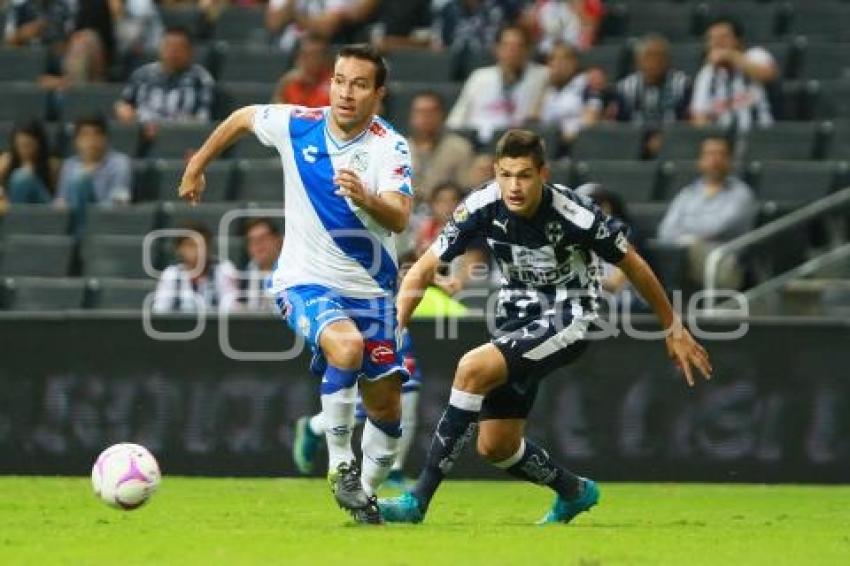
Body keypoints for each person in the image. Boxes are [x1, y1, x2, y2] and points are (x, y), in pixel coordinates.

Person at [379, 129, 712, 524]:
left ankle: (417, 501)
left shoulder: (576, 214)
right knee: (497, 446)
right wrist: (395, 330)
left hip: (570, 315)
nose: (514, 186)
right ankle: (573, 492)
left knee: (471, 367)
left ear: (543, 174)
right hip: (514, 318)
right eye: (505, 175)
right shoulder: (482, 205)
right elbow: (422, 268)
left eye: (523, 175)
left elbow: (634, 264)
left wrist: (672, 326)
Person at [177, 44, 414, 524]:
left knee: (387, 410)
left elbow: (401, 216)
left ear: (379, 94)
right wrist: (197, 163)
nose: (346, 92)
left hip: (371, 291)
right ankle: (340, 464)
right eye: (340, 80)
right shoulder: (298, 122)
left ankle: (363, 496)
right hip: (303, 280)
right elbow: (243, 117)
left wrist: (367, 198)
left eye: (359, 84)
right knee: (344, 347)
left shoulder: (389, 144)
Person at [658, 136, 758, 289]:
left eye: (720, 154)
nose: (714, 160)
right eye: (709, 154)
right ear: (700, 160)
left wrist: (685, 232)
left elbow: (716, 227)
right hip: (683, 256)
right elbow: (665, 230)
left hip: (723, 264)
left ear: (730, 160)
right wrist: (687, 237)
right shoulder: (688, 193)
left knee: (684, 249)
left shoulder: (741, 194)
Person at [446, 25, 548, 143]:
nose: (513, 51)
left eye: (518, 46)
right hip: (478, 143)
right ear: (496, 49)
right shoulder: (479, 77)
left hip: (519, 145)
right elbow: (456, 118)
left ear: (528, 49)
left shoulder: (542, 76)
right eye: (507, 46)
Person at [115, 26, 215, 126]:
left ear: (190, 51)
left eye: (179, 48)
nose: (173, 52)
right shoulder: (142, 75)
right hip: (143, 134)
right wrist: (126, 113)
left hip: (181, 136)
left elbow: (203, 119)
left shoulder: (201, 79)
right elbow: (123, 105)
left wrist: (164, 127)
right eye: (168, 46)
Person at [690, 17, 777, 133]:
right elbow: (698, 116)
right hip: (722, 140)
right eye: (712, 38)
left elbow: (767, 75)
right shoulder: (706, 74)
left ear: (737, 40)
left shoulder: (755, 56)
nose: (717, 43)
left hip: (760, 135)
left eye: (723, 37)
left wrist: (730, 56)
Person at [617, 34, 691, 157]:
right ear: (638, 61)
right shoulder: (625, 88)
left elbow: (685, 123)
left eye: (660, 57)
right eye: (648, 57)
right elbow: (621, 125)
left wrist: (665, 138)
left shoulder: (682, 86)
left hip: (674, 145)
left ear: (669, 61)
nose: (654, 62)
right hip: (634, 145)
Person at [55, 115, 132, 232]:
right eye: (85, 135)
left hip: (105, 223)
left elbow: (119, 203)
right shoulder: (69, 165)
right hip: (71, 221)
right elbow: (61, 200)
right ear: (77, 141)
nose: (91, 140)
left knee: (80, 180)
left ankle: (80, 243)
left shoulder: (121, 163)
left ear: (105, 138)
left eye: (96, 134)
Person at [152, 221, 240, 313]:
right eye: (191, 245)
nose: (199, 250)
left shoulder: (224, 269)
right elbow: (160, 312)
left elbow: (232, 310)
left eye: (203, 244)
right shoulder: (171, 274)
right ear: (179, 249)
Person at [533, 42, 603, 150]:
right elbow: (534, 119)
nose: (557, 64)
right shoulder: (547, 90)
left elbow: (591, 120)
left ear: (574, 62)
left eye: (563, 59)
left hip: (576, 147)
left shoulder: (586, 84)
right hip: (546, 148)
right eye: (553, 59)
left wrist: (562, 137)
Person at [407, 90, 474, 201]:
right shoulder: (397, 148)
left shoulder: (460, 148)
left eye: (431, 111)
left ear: (443, 115)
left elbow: (465, 189)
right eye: (420, 112)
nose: (425, 117)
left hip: (447, 212)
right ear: (411, 116)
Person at [0, 120, 59, 205]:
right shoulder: (6, 161)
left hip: (43, 209)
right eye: (21, 145)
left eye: (29, 145)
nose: (24, 150)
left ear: (39, 144)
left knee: (22, 176)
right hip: (12, 208)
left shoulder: (51, 165)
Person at [272, 33, 332, 107]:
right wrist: (283, 84)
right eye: (306, 55)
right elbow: (276, 110)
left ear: (325, 58)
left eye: (316, 56)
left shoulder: (334, 83)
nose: (311, 60)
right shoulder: (289, 82)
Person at [241, 217, 284, 312]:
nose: (257, 244)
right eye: (252, 240)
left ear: (278, 240)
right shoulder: (244, 274)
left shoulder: (291, 271)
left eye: (263, 238)